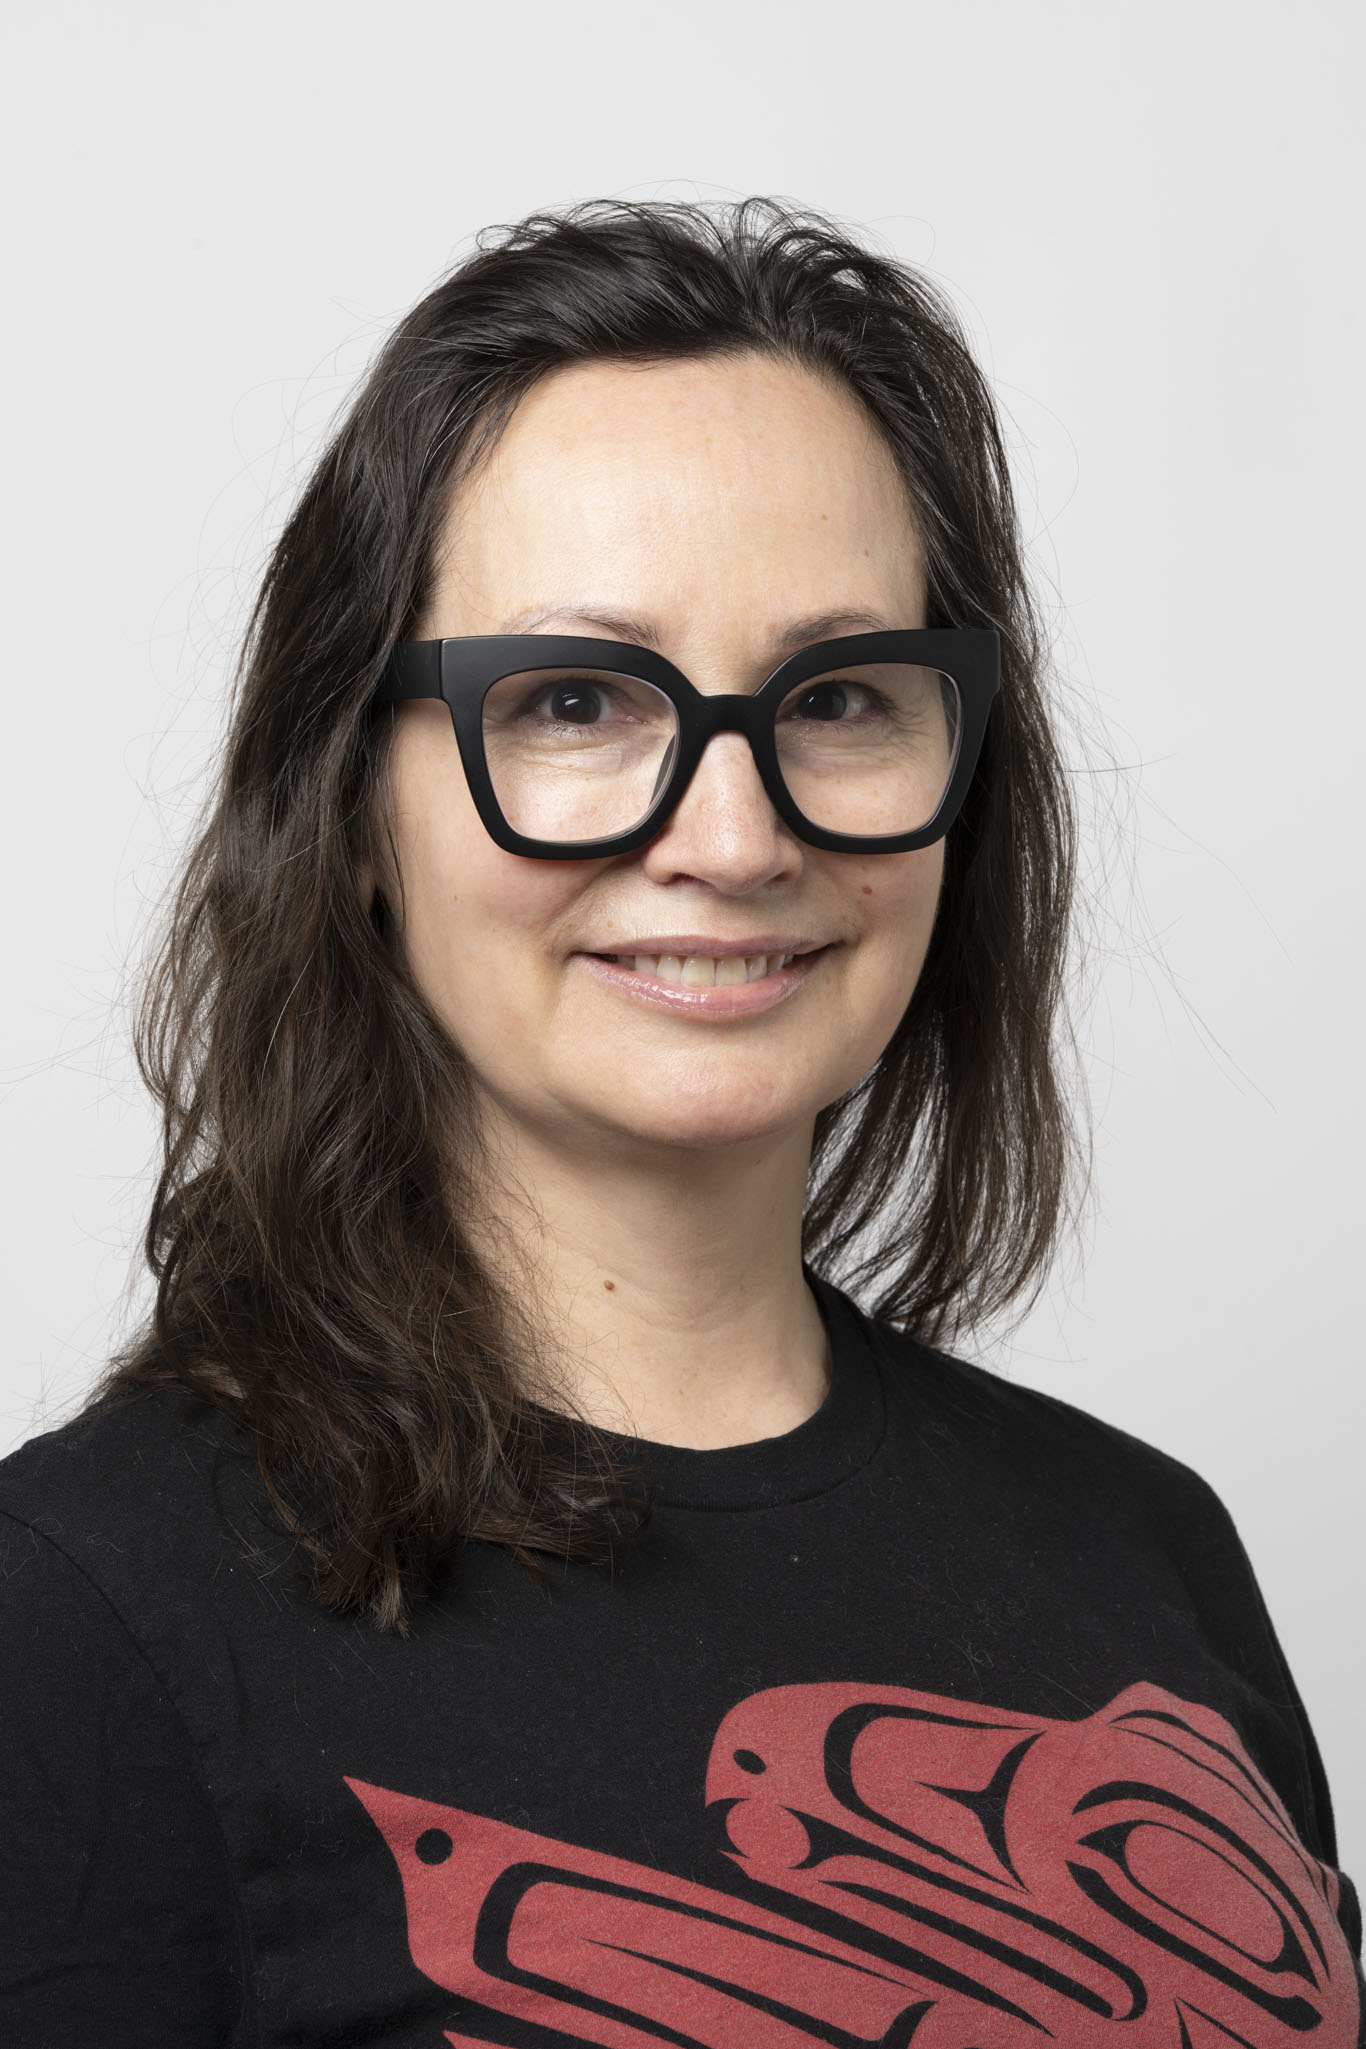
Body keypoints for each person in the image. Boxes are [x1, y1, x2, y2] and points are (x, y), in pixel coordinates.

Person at [0, 197, 1359, 2049]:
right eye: (572, 699)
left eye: (845, 697)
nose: (733, 837)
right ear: (350, 802)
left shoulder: (1144, 1548)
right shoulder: (76, 1624)